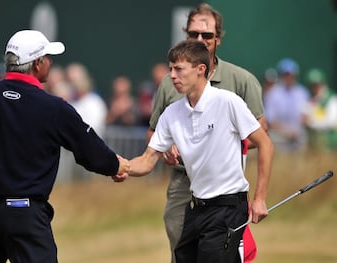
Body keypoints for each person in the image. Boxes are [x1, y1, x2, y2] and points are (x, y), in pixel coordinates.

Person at [0, 29, 129, 263]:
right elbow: (89, 149)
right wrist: (114, 166)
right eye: (48, 57)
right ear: (38, 64)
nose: (50, 62)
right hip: (26, 216)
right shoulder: (53, 107)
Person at [117, 39, 273, 262]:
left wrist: (260, 198)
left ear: (201, 69)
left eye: (178, 69)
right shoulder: (172, 113)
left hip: (228, 208)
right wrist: (121, 166)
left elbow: (265, 143)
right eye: (171, 69)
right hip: (196, 208)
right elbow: (147, 160)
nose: (172, 75)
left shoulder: (228, 102)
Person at [146, 3, 267, 262]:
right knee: (182, 252)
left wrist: (211, 144)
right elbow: (154, 134)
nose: (200, 39)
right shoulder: (170, 82)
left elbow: (261, 135)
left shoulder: (240, 81)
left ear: (218, 39)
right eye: (193, 34)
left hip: (224, 189)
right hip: (183, 184)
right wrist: (167, 148)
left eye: (207, 35)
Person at [264, 58, 310, 152]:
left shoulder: (302, 92)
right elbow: (270, 120)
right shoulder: (273, 93)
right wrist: (287, 132)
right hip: (279, 135)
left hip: (298, 135)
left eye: (291, 75)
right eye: (286, 75)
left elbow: (306, 115)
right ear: (281, 75)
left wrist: (297, 130)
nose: (289, 78)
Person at [303, 68, 337, 150]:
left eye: (317, 84)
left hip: (330, 142)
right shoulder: (311, 100)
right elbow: (304, 116)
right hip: (315, 141)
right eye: (312, 85)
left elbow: (331, 122)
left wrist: (311, 122)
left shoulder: (332, 99)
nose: (315, 87)